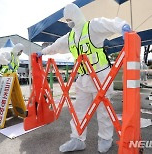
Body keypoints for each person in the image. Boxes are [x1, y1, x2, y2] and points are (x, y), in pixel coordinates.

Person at [37, 3, 131, 153]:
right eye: (66, 20)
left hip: (101, 75)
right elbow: (56, 46)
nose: (68, 22)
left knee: (103, 110)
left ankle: (106, 138)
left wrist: (123, 27)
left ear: (76, 15)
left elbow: (111, 23)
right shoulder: (70, 37)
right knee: (79, 110)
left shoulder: (92, 26)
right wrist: (44, 52)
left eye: (69, 18)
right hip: (83, 77)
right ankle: (77, 139)